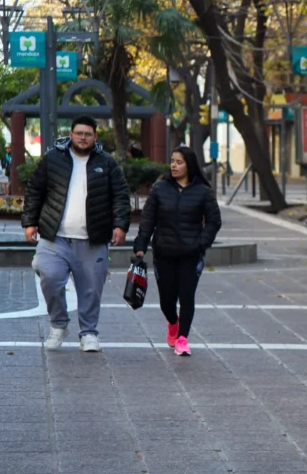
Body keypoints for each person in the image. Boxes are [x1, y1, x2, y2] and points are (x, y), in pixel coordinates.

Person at [23, 116, 131, 352]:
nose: (83, 138)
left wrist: (120, 225)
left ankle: (89, 333)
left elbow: (121, 196)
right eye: (79, 133)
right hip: (55, 236)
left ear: (95, 137)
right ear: (70, 134)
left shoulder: (107, 163)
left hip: (93, 239)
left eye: (88, 134)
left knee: (91, 288)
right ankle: (59, 325)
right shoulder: (52, 159)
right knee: (49, 275)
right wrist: (29, 223)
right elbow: (34, 191)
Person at [133, 146, 222, 356]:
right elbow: (148, 221)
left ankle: (182, 338)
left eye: (179, 162)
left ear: (189, 165)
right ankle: (173, 322)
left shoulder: (203, 191)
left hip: (191, 254)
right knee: (166, 299)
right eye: (172, 161)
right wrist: (140, 246)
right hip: (164, 252)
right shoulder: (160, 188)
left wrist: (201, 243)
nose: (174, 165)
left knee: (187, 296)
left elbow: (214, 221)